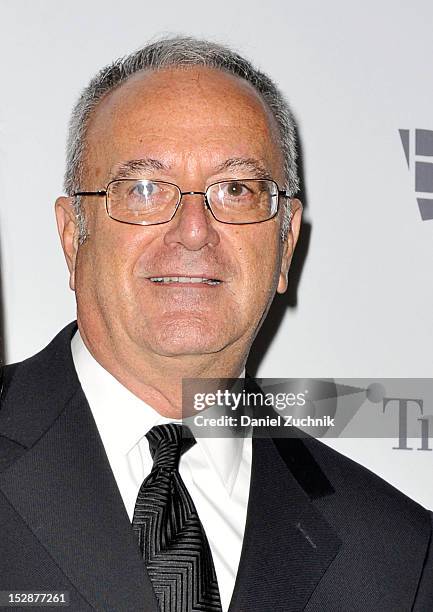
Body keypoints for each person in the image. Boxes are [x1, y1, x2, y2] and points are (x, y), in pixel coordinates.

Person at [0, 37, 432, 612]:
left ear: (285, 246)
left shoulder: (395, 556)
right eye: (145, 189)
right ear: (71, 236)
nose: (195, 231)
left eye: (237, 190)